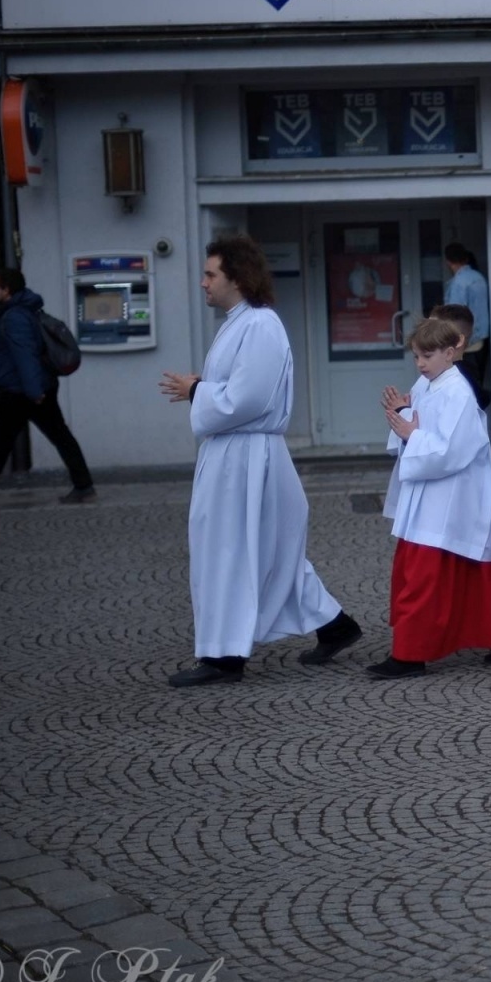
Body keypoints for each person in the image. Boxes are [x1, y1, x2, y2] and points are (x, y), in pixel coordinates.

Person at [158, 235, 361, 687]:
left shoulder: (261, 326)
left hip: (247, 456)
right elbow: (236, 391)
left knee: (230, 551)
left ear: (238, 276)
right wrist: (203, 389)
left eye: (210, 274)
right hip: (235, 453)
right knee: (264, 551)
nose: (203, 283)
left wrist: (196, 390)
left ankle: (225, 657)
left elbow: (247, 399)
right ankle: (335, 625)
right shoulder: (239, 323)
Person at [369, 317, 491, 679]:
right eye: (416, 357)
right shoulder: (428, 384)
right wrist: (403, 416)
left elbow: (450, 451)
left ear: (450, 352)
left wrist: (410, 430)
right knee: (471, 577)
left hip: (452, 497)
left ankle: (409, 654)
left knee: (425, 577)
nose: (420, 364)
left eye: (427, 355)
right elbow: (419, 430)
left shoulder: (457, 392)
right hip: (433, 494)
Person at [0, 268, 95, 510]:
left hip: (20, 392)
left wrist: (34, 390)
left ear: (7, 290)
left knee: (1, 444)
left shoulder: (14, 316)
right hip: (32, 388)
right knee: (60, 437)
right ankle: (84, 486)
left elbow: (25, 355)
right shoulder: (21, 311)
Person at [443, 244, 491, 412]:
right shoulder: (478, 277)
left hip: (464, 343)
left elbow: (454, 316)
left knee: (466, 386)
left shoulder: (459, 283)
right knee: (476, 381)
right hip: (481, 339)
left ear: (449, 262)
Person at [430, 303, 488, 412]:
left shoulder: (460, 385)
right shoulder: (433, 373)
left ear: (458, 341)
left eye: (431, 332)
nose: (423, 337)